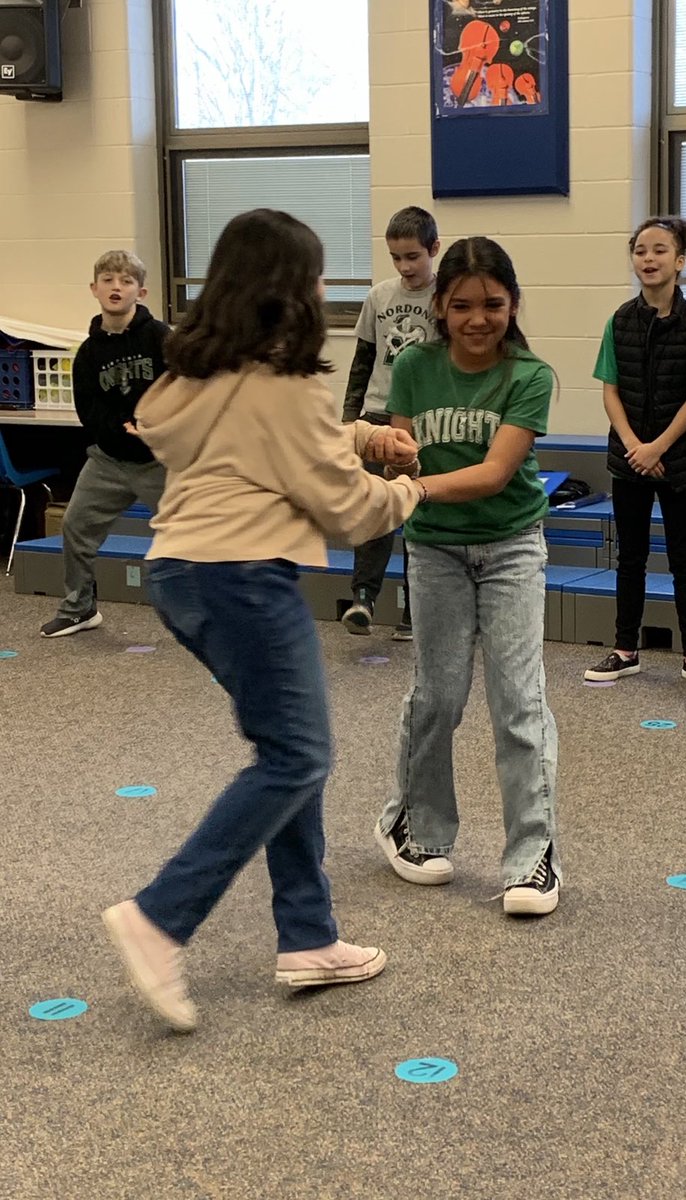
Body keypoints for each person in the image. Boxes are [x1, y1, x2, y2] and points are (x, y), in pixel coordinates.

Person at [100, 209, 430, 1033]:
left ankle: (308, 936)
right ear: (287, 287)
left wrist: (360, 435)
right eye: (314, 276)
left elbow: (259, 441)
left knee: (289, 751)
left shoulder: (201, 375)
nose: (321, 290)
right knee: (298, 755)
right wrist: (410, 489)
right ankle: (158, 917)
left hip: (180, 571)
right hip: (243, 575)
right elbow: (346, 511)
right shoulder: (282, 385)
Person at [374, 236, 561, 917]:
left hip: (512, 548)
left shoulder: (530, 376)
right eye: (461, 306)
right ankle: (415, 827)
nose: (478, 319)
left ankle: (532, 858)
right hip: (435, 551)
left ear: (513, 305)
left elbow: (494, 473)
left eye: (493, 305)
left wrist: (413, 488)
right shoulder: (414, 366)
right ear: (439, 308)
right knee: (439, 696)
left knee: (519, 703)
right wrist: (394, 465)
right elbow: (400, 454)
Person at [583, 216, 686, 688]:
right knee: (631, 557)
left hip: (679, 461)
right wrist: (634, 447)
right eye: (641, 250)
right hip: (630, 460)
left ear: (680, 261)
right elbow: (610, 390)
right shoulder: (619, 320)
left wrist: (658, 447)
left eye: (660, 250)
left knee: (685, 558)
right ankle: (625, 649)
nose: (648, 258)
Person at [40, 251, 169, 638]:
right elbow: (89, 411)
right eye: (108, 280)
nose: (116, 287)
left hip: (160, 458)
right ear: (94, 289)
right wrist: (120, 430)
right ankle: (79, 608)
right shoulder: (88, 354)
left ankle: (211, 611)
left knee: (191, 533)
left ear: (140, 292)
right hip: (109, 460)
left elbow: (186, 389)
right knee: (75, 525)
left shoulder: (160, 337)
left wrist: (158, 427)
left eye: (126, 281)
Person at [341, 206, 441, 640]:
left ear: (434, 249)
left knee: (417, 513)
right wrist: (350, 421)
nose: (405, 267)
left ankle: (415, 610)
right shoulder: (378, 297)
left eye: (413, 257)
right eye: (396, 258)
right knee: (373, 510)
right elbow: (362, 361)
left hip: (424, 418)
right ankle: (363, 598)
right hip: (377, 415)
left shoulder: (445, 298)